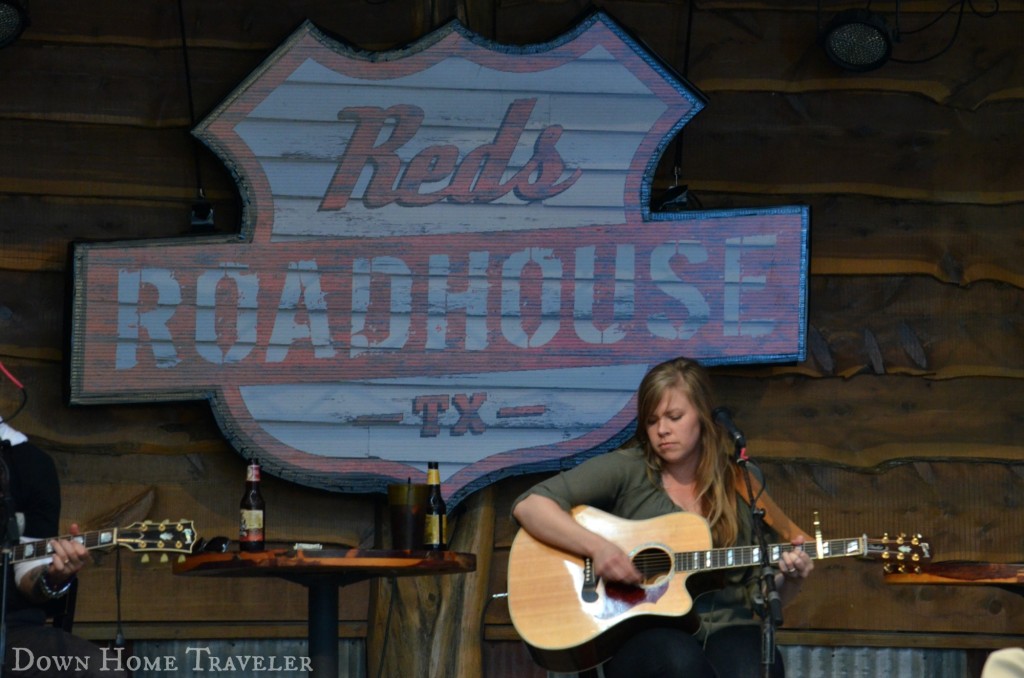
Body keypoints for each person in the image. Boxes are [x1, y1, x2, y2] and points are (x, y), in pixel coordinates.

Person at [512, 356, 814, 677]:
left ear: (703, 416)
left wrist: (791, 579)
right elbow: (529, 505)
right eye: (653, 420)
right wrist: (597, 549)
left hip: (728, 628)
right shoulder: (628, 469)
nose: (662, 430)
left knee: (754, 666)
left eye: (674, 416)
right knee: (676, 661)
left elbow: (761, 596)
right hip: (641, 632)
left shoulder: (742, 480)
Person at [1, 417, 127, 677]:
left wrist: (55, 577)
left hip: (11, 631)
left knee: (102, 669)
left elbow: (28, 576)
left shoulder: (28, 464)